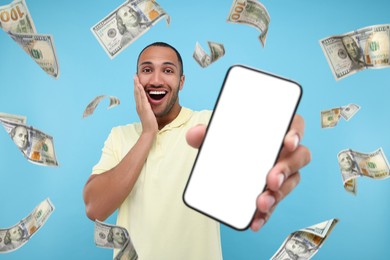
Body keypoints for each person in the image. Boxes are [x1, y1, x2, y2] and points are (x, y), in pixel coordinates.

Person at [83, 42, 311, 259]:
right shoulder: (119, 135)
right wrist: (148, 132)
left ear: (181, 82)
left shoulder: (209, 124)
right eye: (146, 69)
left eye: (168, 71)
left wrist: (281, 138)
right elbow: (95, 208)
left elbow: (256, 145)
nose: (155, 79)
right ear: (136, 80)